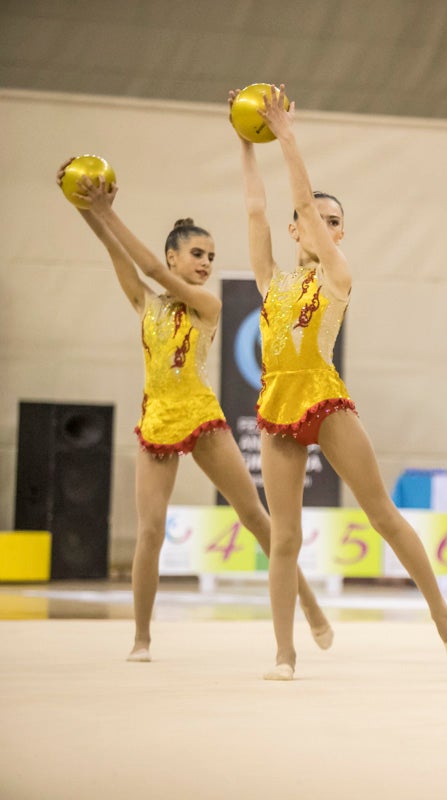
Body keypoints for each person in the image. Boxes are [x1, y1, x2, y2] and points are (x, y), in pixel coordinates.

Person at [234, 85, 447, 680]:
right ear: (295, 234)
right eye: (316, 219)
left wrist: (287, 138)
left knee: (382, 514)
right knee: (284, 536)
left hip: (324, 399)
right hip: (278, 409)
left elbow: (301, 206)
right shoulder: (269, 280)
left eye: (336, 222)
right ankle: (285, 653)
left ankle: (442, 615)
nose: (326, 226)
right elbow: (259, 212)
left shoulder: (337, 274)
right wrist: (246, 143)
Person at [58, 163, 333, 663]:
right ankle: (141, 637)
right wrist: (89, 210)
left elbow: (155, 272)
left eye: (211, 256)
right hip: (157, 419)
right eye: (197, 254)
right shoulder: (145, 304)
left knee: (254, 515)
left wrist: (105, 210)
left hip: (203, 417)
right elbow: (120, 257)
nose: (207, 262)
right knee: (150, 530)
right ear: (174, 253)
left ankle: (310, 606)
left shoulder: (208, 304)